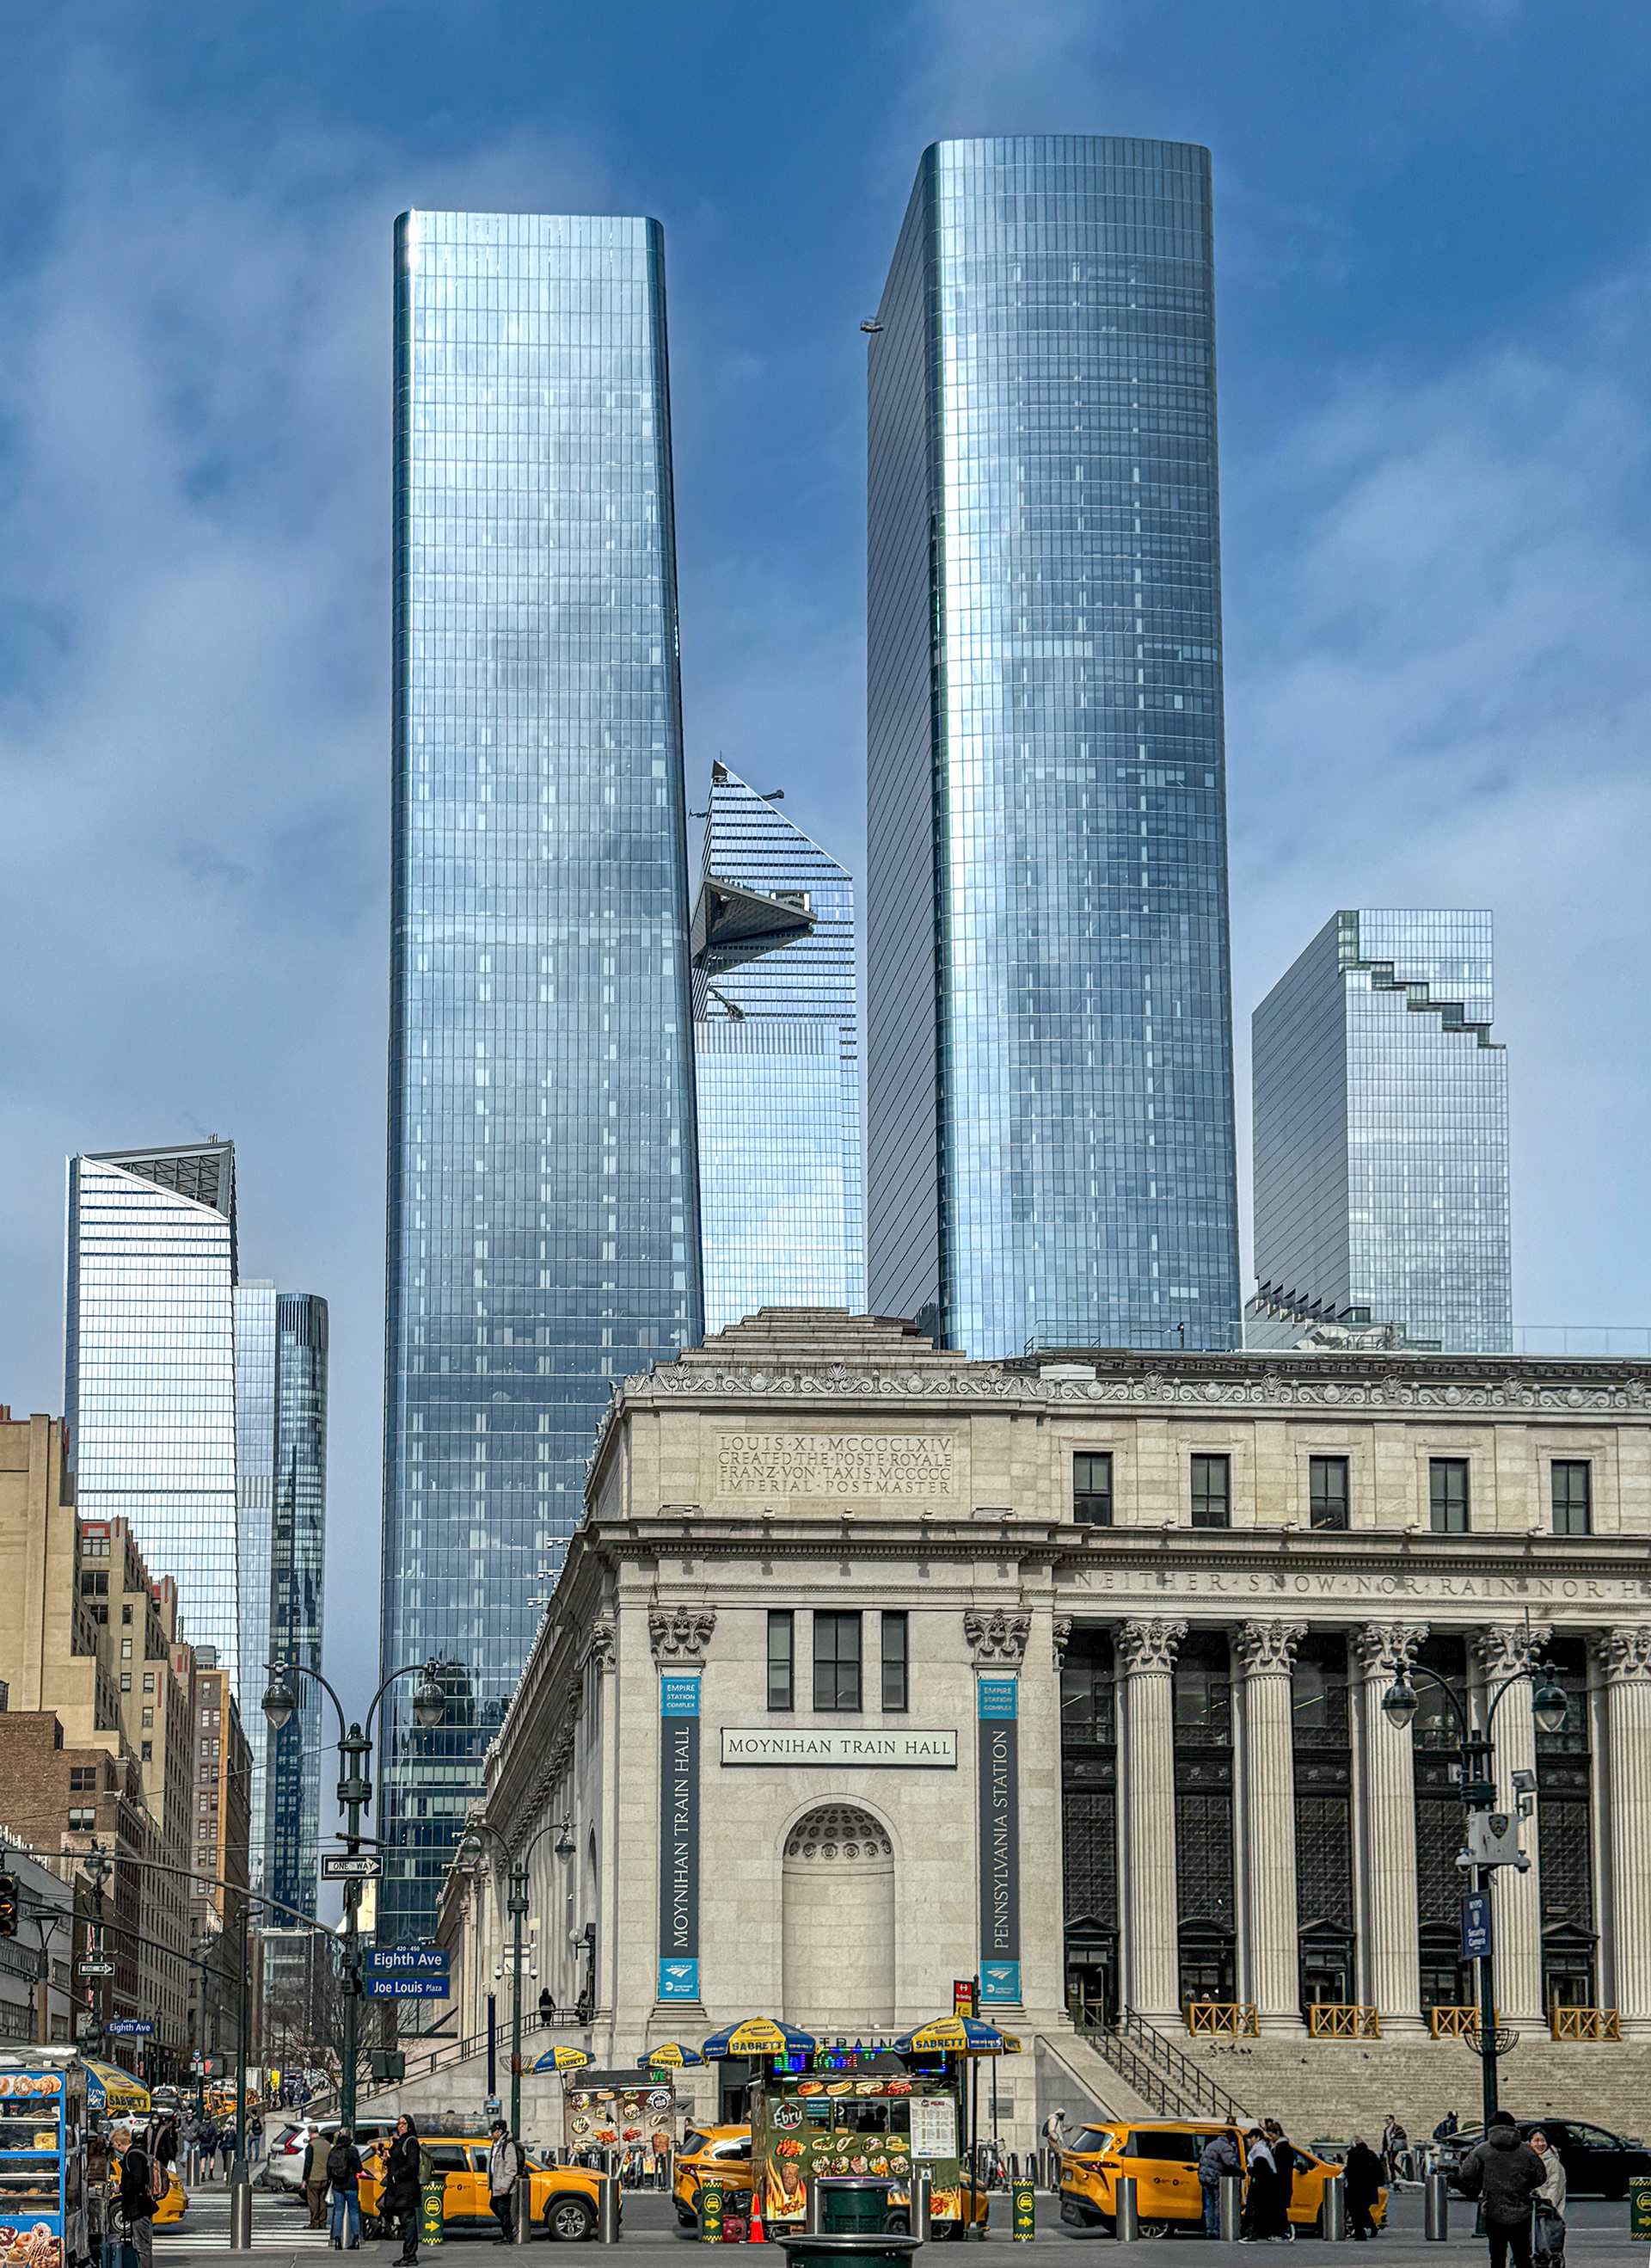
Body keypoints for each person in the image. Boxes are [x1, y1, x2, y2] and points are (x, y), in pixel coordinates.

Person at [1451, 2113, 1545, 2268]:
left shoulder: (1483, 2150)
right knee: (1522, 2255)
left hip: (1494, 2210)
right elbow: (1540, 2177)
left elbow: (1466, 2174)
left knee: (1497, 2257)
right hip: (1521, 2211)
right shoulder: (1526, 2151)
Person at [384, 2115, 425, 2265]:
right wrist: (387, 2160)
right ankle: (407, 2254)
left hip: (406, 2190)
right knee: (405, 2223)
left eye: (403, 2124)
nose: (400, 2126)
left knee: (408, 2223)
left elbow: (412, 2165)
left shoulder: (411, 2142)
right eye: (399, 2124)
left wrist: (396, 2176)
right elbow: (398, 2161)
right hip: (399, 2189)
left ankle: (410, 2256)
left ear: (409, 2125)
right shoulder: (400, 2141)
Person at [119, 2126, 158, 2268]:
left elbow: (137, 2180)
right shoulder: (137, 2152)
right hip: (141, 2205)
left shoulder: (133, 2156)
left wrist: (121, 2188)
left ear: (119, 2143)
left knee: (142, 2245)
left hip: (138, 2206)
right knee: (142, 2244)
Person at [1531, 2131, 1567, 2268]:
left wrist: (1540, 2197)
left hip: (1548, 2213)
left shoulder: (1553, 2164)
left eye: (1543, 2140)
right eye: (1536, 2141)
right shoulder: (1528, 2160)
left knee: (1547, 2249)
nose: (1540, 2144)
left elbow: (1555, 2190)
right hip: (1532, 2212)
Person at [488, 2120, 525, 2245]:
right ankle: (509, 2230)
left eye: (494, 2131)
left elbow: (511, 2167)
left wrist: (505, 2185)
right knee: (494, 2205)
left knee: (503, 2209)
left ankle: (508, 2235)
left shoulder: (507, 2145)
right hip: (495, 2183)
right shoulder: (496, 2144)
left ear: (500, 2132)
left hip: (503, 2184)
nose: (492, 2133)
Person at [327, 2126, 365, 2252]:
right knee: (354, 2211)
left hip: (337, 2185)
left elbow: (328, 2169)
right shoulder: (352, 2150)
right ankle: (355, 2238)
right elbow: (358, 2167)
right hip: (351, 2184)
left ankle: (337, 2239)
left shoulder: (334, 2150)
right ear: (350, 2137)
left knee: (338, 2212)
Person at [1199, 2129, 1239, 2237]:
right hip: (1216, 2178)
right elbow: (1230, 2163)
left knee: (1209, 2204)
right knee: (1218, 2204)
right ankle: (1216, 2229)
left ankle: (1209, 2229)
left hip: (1205, 2177)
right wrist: (1240, 2172)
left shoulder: (1212, 2144)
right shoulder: (1226, 2147)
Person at [1242, 2129, 1278, 2244]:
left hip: (1260, 2184)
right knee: (1262, 2208)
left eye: (1251, 2138)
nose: (1249, 2141)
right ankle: (1263, 2232)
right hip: (1266, 2183)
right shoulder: (1262, 2150)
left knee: (1254, 2208)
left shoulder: (1259, 2151)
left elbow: (1259, 2168)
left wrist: (1250, 2170)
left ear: (1257, 2138)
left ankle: (1252, 2233)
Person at [1344, 2138, 1384, 2243]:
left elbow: (1350, 2171)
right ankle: (1370, 2227)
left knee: (1355, 2210)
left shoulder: (1353, 2155)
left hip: (1355, 2187)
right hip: (1369, 2187)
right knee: (1363, 2209)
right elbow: (1379, 2170)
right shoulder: (1371, 2155)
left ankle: (1361, 2232)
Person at [1264, 2122, 1298, 2240]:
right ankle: (1280, 2231)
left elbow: (1281, 2168)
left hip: (1280, 2183)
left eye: (1271, 2135)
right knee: (1278, 2209)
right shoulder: (1278, 2147)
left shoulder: (1282, 2148)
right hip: (1280, 2183)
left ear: (1277, 2133)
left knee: (1279, 2209)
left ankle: (1282, 2231)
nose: (1270, 2138)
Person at [302, 2131, 328, 2229]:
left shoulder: (311, 2146)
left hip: (314, 2177)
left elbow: (308, 2163)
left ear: (310, 2134)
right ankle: (323, 2222)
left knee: (313, 2201)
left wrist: (304, 2179)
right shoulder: (327, 2145)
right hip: (325, 2177)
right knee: (322, 2200)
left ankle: (314, 2222)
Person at [1041, 2108, 1067, 2189]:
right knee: (1058, 2158)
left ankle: (1056, 2181)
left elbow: (1060, 2129)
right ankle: (1054, 2181)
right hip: (1055, 2142)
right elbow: (1051, 2130)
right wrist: (1057, 2139)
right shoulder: (1053, 2119)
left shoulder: (1058, 2120)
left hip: (1057, 2141)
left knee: (1058, 2159)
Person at [1382, 2117, 1409, 2187]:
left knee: (1391, 2162)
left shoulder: (1397, 2128)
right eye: (1386, 2120)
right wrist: (1383, 2150)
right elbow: (1385, 2141)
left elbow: (1403, 2135)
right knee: (1391, 2162)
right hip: (1389, 2148)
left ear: (1392, 2120)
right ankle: (1399, 2174)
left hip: (1395, 2147)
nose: (1387, 2121)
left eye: (1388, 2120)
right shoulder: (1386, 2130)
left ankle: (1395, 2176)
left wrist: (1394, 2136)